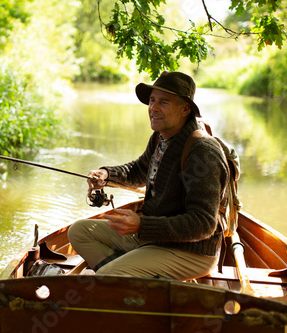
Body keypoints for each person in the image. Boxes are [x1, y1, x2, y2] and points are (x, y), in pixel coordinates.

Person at [68, 71, 229, 281]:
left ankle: (121, 275)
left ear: (185, 109)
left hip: (192, 251)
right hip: (153, 237)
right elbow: (138, 171)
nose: (153, 108)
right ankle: (135, 276)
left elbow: (204, 223)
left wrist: (143, 226)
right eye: (152, 100)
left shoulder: (203, 151)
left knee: (109, 274)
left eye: (164, 102)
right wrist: (106, 175)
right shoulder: (160, 137)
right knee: (79, 231)